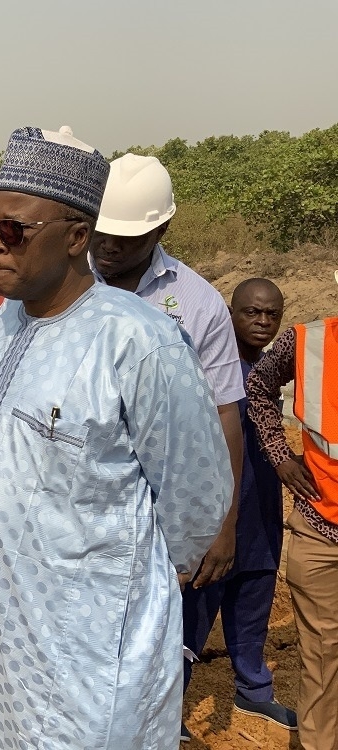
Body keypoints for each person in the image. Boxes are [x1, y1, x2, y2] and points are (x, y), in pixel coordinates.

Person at [0, 126, 232, 750]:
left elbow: (198, 502)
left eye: (15, 231)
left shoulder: (137, 341)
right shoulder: (2, 324)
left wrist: (100, 578)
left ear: (76, 237)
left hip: (86, 650)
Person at [88, 152, 245, 742]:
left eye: (126, 238)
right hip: (90, 502)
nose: (109, 247)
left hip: (164, 512)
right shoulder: (65, 288)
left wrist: (224, 524)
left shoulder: (198, 304)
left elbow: (226, 412)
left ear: (161, 229)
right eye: (102, 232)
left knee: (158, 630)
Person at [179, 278, 298, 733]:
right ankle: (170, 708)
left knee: (253, 611)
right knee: (191, 621)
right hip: (214, 520)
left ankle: (254, 693)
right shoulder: (208, 367)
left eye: (272, 315)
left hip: (260, 514)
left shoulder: (268, 372)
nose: (262, 322)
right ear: (230, 314)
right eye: (252, 312)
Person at [247, 278, 338, 750]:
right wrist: (279, 454)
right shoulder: (308, 342)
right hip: (322, 533)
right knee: (322, 659)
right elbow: (258, 388)